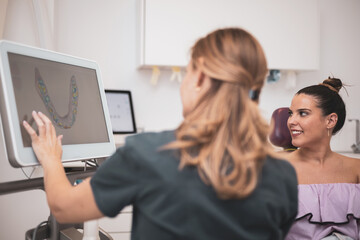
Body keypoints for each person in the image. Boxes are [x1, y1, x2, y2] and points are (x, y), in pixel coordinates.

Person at [23, 28, 298, 239]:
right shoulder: (284, 176)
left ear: (200, 77)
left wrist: (50, 157)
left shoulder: (148, 154)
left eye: (188, 73)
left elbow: (64, 208)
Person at [285, 78, 360, 240]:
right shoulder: (276, 169)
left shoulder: (356, 169)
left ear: (330, 120)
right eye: (291, 114)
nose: (291, 121)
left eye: (303, 113)